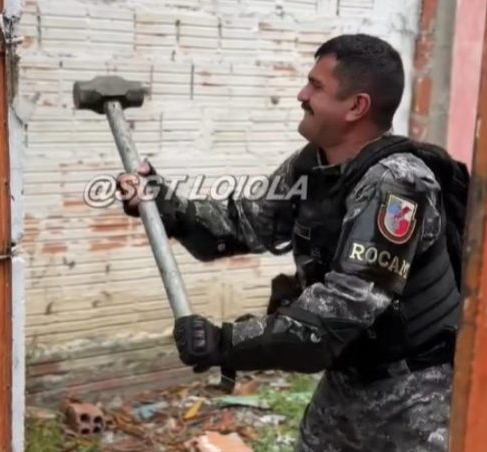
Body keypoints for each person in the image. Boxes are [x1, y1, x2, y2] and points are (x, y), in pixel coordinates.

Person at [117, 34, 468, 451]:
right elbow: (240, 223)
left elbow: (339, 313)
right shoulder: (313, 165)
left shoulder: (399, 185)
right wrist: (164, 203)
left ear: (356, 106)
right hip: (348, 379)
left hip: (416, 394)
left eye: (316, 87)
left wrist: (226, 343)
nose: (302, 95)